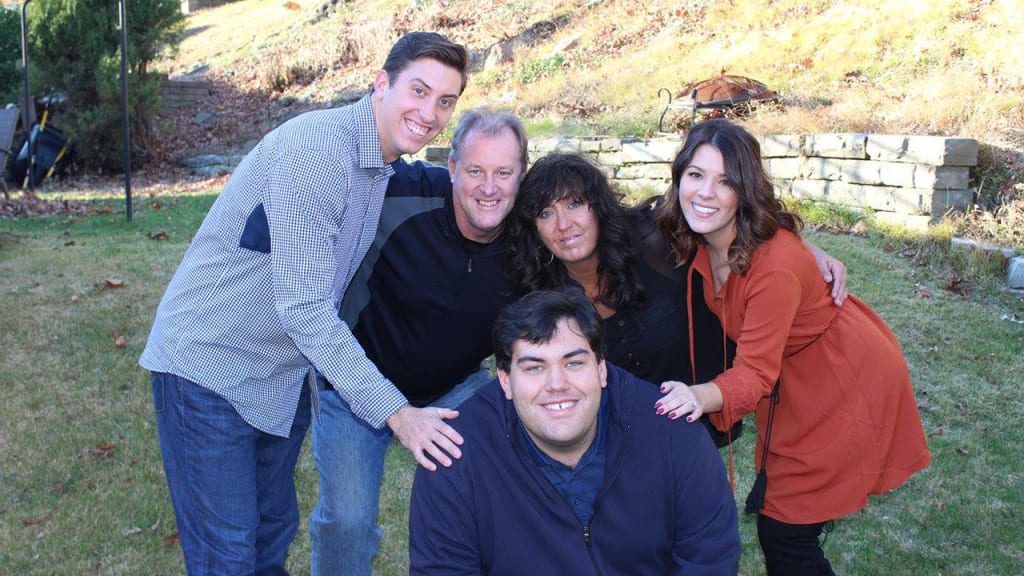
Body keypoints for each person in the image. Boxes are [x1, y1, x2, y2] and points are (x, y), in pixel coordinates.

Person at [138, 31, 469, 574]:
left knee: (270, 539)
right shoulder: (318, 154)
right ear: (381, 83)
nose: (429, 112)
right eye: (418, 90)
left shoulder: (375, 161)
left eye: (445, 101)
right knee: (229, 556)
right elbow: (306, 310)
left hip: (279, 376)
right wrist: (398, 415)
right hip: (209, 370)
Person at [654, 118, 931, 575]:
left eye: (725, 181)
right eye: (696, 175)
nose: (704, 192)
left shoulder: (775, 266)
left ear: (745, 191)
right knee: (783, 525)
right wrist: (809, 249)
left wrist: (696, 396)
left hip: (840, 378)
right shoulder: (690, 231)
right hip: (793, 377)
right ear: (679, 176)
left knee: (787, 531)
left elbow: (755, 374)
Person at [309, 108, 527, 575]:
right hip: (356, 384)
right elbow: (347, 157)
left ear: (521, 174)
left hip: (456, 386)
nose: (489, 188)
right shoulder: (399, 193)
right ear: (450, 168)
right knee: (347, 520)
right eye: (474, 171)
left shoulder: (528, 237)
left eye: (504, 173)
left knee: (495, 492)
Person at [506, 152, 848, 447]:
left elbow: (737, 220)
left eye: (575, 204)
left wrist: (807, 249)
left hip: (697, 422)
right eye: (545, 213)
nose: (563, 224)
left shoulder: (658, 241)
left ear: (598, 207)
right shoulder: (540, 293)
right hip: (617, 440)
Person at [409, 287, 741, 574]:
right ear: (506, 381)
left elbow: (709, 558)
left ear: (601, 369)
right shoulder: (455, 457)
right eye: (535, 367)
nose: (557, 385)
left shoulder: (672, 434)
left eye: (573, 363)